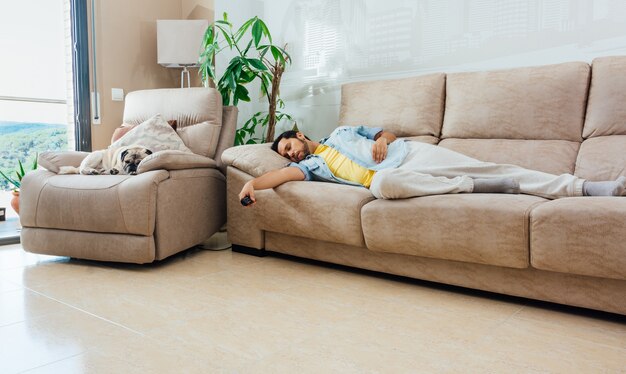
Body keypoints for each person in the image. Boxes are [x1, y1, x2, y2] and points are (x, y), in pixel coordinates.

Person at [238, 126, 626, 206]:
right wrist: (253, 185)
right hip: (396, 179)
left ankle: (587, 187)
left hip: (414, 156)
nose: (290, 155)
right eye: (286, 154)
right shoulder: (316, 166)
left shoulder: (341, 131)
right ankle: (464, 187)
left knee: (492, 167)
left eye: (289, 145)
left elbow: (386, 132)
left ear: (300, 134)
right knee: (381, 186)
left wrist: (380, 141)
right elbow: (280, 176)